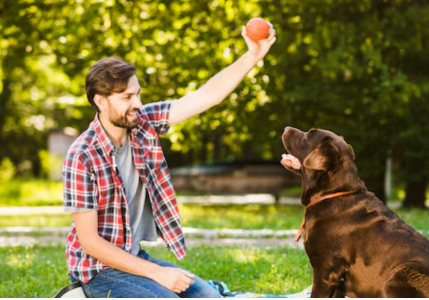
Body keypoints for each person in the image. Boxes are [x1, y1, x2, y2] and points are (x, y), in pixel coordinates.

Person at [62, 26, 276, 298]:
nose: (137, 103)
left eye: (137, 94)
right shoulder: (82, 154)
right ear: (101, 102)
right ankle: (79, 294)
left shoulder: (143, 124)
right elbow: (90, 243)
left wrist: (253, 55)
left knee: (210, 297)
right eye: (127, 97)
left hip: (134, 258)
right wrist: (158, 273)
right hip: (98, 271)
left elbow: (206, 96)